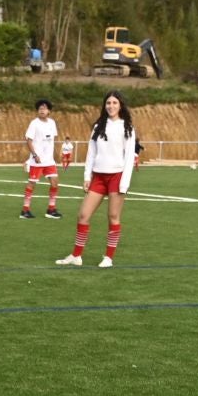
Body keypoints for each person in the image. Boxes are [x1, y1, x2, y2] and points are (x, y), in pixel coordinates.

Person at [57, 90, 137, 269]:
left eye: (115, 103)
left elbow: (129, 157)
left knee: (113, 217)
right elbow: (91, 153)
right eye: (108, 103)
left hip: (117, 176)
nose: (111, 106)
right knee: (83, 215)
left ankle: (108, 258)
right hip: (98, 177)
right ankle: (76, 256)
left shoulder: (127, 127)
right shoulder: (98, 126)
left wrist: (124, 183)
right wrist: (87, 176)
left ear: (120, 105)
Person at [20, 99, 61, 220]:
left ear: (49, 111)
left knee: (54, 182)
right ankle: (25, 210)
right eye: (40, 108)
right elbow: (28, 140)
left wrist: (55, 155)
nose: (42, 110)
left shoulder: (52, 123)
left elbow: (52, 140)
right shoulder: (34, 123)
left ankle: (51, 209)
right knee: (32, 184)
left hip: (49, 161)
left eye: (44, 108)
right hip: (37, 160)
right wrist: (34, 155)